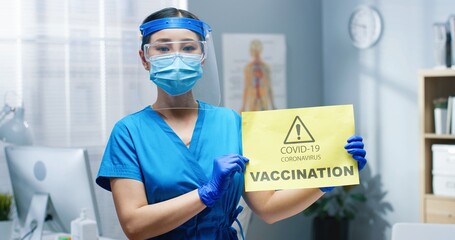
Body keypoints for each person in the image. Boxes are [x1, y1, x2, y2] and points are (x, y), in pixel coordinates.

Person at [96, 7, 367, 240]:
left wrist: (328, 175)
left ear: (202, 56)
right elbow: (134, 226)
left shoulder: (230, 122)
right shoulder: (129, 132)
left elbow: (268, 208)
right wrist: (206, 193)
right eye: (163, 48)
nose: (176, 57)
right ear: (145, 58)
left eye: (188, 47)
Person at [240, 39, 275, 112]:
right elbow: (246, 87)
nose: (256, 53)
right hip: (252, 101)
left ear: (260, 51)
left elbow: (269, 87)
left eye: (257, 50)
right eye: (254, 50)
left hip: (264, 100)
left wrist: (273, 105)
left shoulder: (265, 68)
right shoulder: (248, 68)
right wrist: (243, 106)